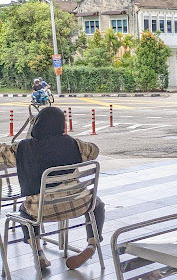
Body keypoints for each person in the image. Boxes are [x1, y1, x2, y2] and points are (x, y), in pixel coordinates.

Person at [0, 107, 104, 271]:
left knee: (25, 210)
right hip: (79, 205)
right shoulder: (73, 143)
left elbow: (2, 154)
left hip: (41, 211)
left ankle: (39, 252)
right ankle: (92, 245)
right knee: (97, 204)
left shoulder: (22, 148)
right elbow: (94, 150)